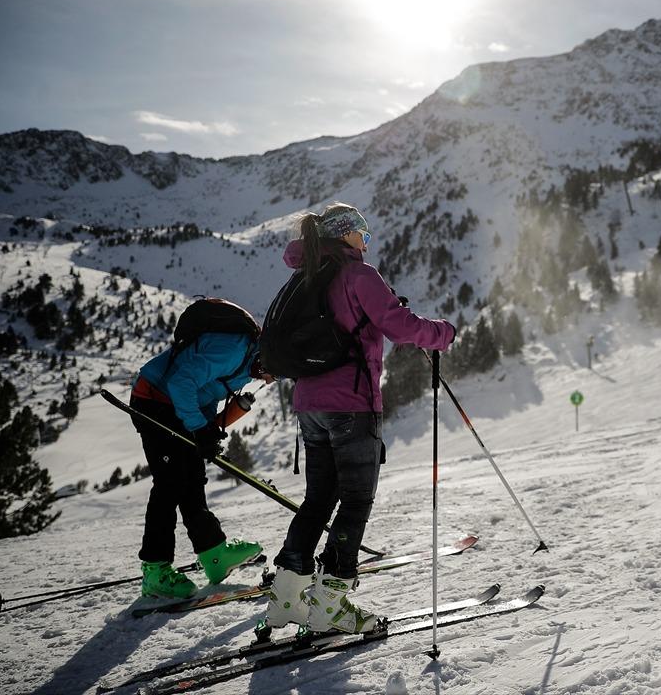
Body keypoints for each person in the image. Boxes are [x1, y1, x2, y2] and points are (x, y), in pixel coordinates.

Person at [265, 203, 455, 635]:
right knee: (355, 501)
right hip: (351, 404)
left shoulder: (306, 275)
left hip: (309, 404)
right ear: (347, 235)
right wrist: (444, 333)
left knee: (318, 500)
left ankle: (286, 598)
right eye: (363, 234)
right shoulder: (357, 275)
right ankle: (330, 603)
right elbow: (399, 325)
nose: (366, 242)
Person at [129, 311, 273, 598]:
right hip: (155, 400)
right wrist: (198, 426)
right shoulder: (234, 350)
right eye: (276, 373)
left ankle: (214, 555)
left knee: (192, 479)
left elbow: (205, 392)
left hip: (175, 406)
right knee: (170, 483)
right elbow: (181, 382)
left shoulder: (248, 365)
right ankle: (155, 570)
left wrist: (206, 428)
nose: (270, 381)